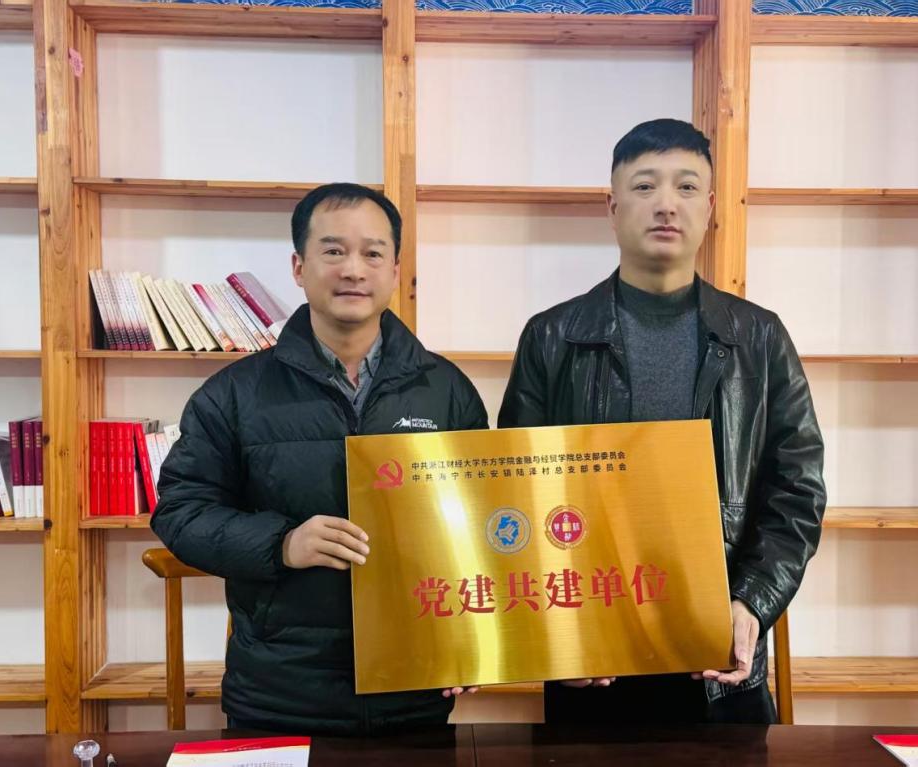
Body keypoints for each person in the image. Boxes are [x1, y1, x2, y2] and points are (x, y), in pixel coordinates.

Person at [498, 119, 826, 724]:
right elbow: (515, 495)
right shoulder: (552, 337)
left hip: (721, 662)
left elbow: (796, 493)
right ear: (612, 207)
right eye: (645, 186)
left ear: (710, 207)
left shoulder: (758, 337)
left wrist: (751, 602)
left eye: (686, 187)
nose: (666, 204)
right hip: (592, 661)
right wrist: (557, 626)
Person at [152, 183, 488, 735]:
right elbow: (181, 512)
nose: (353, 269)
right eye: (333, 251)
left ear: (395, 269)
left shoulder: (446, 390)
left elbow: (480, 524)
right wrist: (282, 544)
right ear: (298, 266)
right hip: (279, 692)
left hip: (413, 686)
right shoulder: (233, 393)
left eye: (373, 253)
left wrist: (473, 638)